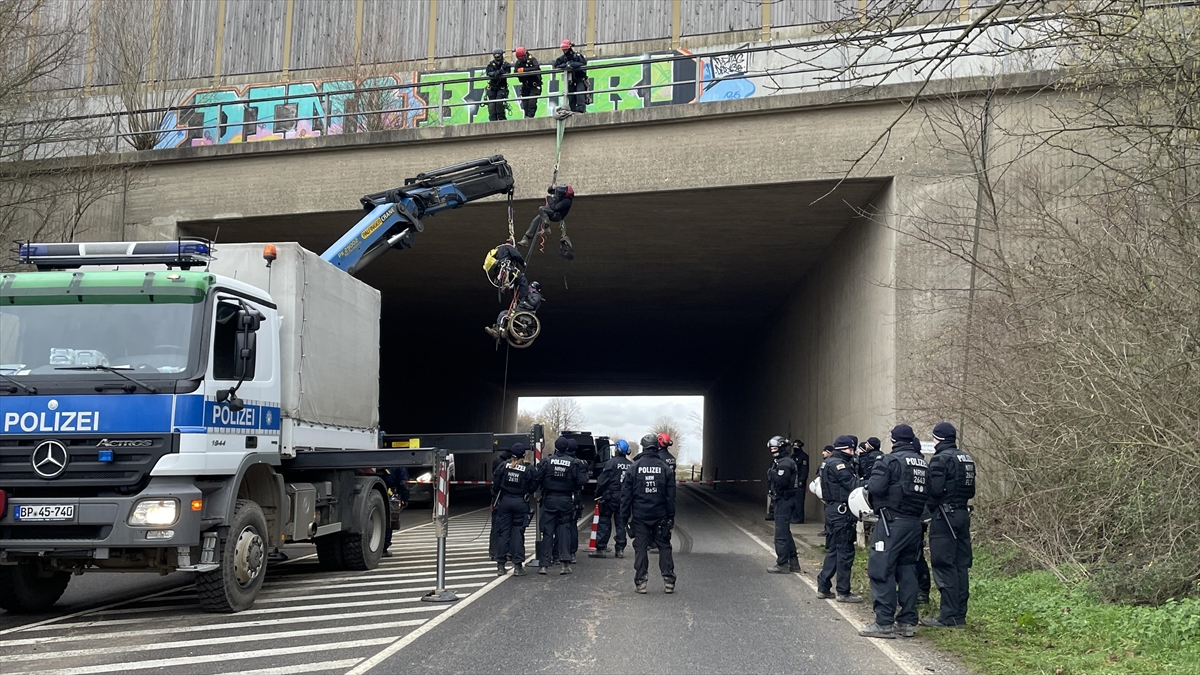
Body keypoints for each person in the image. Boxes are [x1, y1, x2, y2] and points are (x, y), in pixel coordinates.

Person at [860, 424, 929, 640]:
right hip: (914, 525)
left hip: (892, 524)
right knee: (907, 570)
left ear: (893, 440)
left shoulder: (888, 461)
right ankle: (907, 622)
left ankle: (884, 623)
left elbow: (877, 487)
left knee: (881, 570)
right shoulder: (922, 463)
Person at [922, 422, 975, 628]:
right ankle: (960, 614)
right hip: (962, 513)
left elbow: (934, 491)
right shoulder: (966, 458)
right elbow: (971, 491)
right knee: (961, 565)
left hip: (944, 517)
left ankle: (948, 616)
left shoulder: (940, 459)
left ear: (938, 439)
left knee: (944, 564)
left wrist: (929, 509)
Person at [620, 434, 677, 594]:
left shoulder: (634, 468)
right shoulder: (665, 469)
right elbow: (670, 497)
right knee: (664, 546)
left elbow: (626, 496)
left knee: (641, 547)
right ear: (657, 447)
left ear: (643, 447)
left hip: (640, 516)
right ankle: (669, 581)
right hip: (660, 515)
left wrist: (624, 517)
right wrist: (670, 517)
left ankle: (641, 582)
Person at [816, 435, 863, 603]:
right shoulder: (839, 464)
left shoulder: (829, 462)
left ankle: (823, 585)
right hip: (841, 512)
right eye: (850, 450)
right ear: (843, 450)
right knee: (845, 551)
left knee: (835, 549)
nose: (853, 453)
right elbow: (853, 485)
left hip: (833, 511)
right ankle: (843, 591)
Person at [533, 436, 588, 574]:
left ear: (556, 448)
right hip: (565, 500)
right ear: (567, 448)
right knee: (564, 530)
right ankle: (565, 564)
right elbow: (582, 481)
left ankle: (544, 565)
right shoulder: (574, 463)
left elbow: (537, 478)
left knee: (547, 532)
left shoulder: (547, 461)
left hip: (550, 499)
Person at [492, 442, 536, 576]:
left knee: (504, 533)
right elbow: (533, 486)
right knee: (517, 534)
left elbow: (496, 484)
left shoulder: (503, 466)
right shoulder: (528, 468)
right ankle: (517, 566)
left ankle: (500, 565)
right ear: (524, 454)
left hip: (505, 501)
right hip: (520, 502)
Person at [591, 438, 632, 558]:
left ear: (617, 449)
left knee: (604, 521)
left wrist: (597, 493)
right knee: (621, 523)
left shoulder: (611, 463)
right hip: (624, 498)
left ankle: (601, 548)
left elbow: (603, 480)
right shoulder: (631, 465)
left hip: (610, 497)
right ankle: (620, 549)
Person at [766, 435, 801, 574]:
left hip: (784, 500)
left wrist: (772, 474)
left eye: (775, 448)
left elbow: (781, 481)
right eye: (771, 448)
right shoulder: (781, 461)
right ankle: (793, 562)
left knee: (780, 533)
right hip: (784, 499)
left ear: (781, 447)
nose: (772, 451)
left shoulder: (785, 463)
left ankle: (782, 564)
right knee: (785, 531)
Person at [517, 184, 573, 248]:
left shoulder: (567, 201)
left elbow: (555, 208)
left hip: (557, 215)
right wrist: (552, 187)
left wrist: (549, 199)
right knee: (535, 220)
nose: (556, 194)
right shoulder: (560, 192)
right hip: (551, 212)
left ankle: (546, 226)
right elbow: (550, 191)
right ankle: (526, 238)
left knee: (541, 208)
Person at [856, 437, 884, 542]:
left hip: (870, 485)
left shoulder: (870, 456)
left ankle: (867, 536)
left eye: (867, 444)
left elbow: (866, 471)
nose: (865, 446)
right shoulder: (883, 455)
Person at [553, 39, 589, 113]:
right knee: (571, 98)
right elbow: (556, 65)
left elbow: (583, 63)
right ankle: (573, 111)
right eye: (564, 50)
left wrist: (572, 65)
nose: (565, 51)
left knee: (580, 96)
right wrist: (565, 65)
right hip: (570, 81)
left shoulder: (577, 55)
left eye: (566, 49)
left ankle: (581, 111)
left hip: (580, 79)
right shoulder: (563, 58)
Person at [381, 466, 410, 557]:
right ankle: (384, 547)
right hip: (391, 495)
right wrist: (405, 499)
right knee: (389, 520)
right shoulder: (399, 465)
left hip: (379, 492)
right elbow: (403, 483)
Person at [513, 46, 542, 119]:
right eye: (519, 58)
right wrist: (518, 71)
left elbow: (536, 68)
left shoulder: (532, 59)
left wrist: (524, 70)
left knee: (532, 102)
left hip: (534, 85)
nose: (520, 59)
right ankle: (526, 116)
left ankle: (531, 116)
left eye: (521, 57)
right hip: (525, 85)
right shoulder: (518, 62)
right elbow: (515, 71)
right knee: (525, 104)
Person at [485, 48, 511, 121]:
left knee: (499, 103)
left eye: (499, 57)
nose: (498, 58)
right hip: (492, 87)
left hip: (502, 87)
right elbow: (488, 73)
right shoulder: (491, 64)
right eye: (496, 57)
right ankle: (493, 120)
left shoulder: (505, 64)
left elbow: (508, 72)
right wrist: (494, 73)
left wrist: (500, 72)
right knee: (492, 105)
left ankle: (502, 119)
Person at [790, 439, 810, 524]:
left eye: (796, 446)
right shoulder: (792, 457)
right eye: (794, 446)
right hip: (792, 481)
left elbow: (805, 470)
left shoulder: (803, 456)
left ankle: (799, 518)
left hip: (799, 481)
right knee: (793, 500)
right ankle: (794, 516)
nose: (795, 447)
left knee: (799, 501)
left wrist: (802, 480)